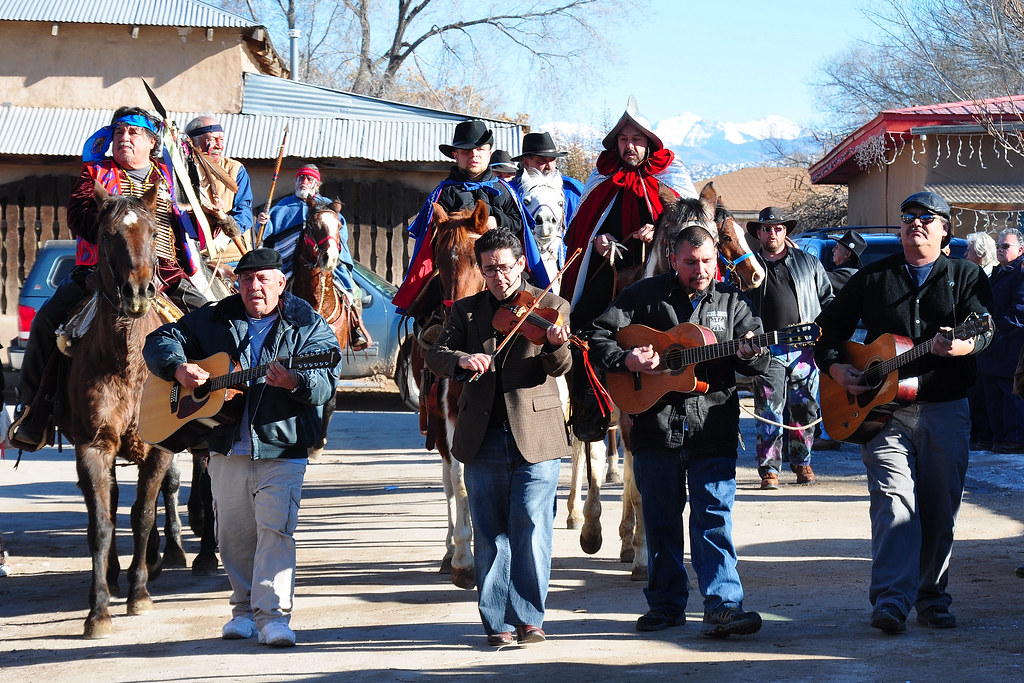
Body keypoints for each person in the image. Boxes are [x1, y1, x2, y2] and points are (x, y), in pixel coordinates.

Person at [142, 248, 342, 647]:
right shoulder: (216, 317)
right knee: (233, 535)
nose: (255, 287)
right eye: (248, 279)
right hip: (224, 447)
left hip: (281, 446)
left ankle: (274, 618)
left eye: (264, 279)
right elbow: (160, 338)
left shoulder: (308, 326)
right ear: (238, 283)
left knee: (275, 531)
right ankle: (244, 611)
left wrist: (295, 383)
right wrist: (178, 367)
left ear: (281, 283)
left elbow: (325, 385)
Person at [815, 191, 992, 634]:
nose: (915, 222)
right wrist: (839, 369)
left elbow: (986, 329)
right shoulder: (873, 277)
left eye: (926, 217)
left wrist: (963, 345)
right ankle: (892, 600)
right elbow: (828, 333)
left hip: (945, 407)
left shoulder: (967, 275)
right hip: (883, 414)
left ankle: (931, 597)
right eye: (908, 216)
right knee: (894, 502)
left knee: (938, 507)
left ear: (945, 228)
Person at [587, 224, 769, 637]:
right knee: (661, 520)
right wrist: (626, 359)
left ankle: (723, 606)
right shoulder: (642, 296)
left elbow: (755, 362)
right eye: (691, 262)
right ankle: (666, 606)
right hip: (655, 426)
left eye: (707, 261)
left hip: (713, 428)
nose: (701, 269)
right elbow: (597, 334)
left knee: (713, 519)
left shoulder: (734, 302)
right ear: (673, 258)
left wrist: (752, 355)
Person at [8, 106, 205, 451]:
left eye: (133, 134)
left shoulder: (168, 177)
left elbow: (180, 228)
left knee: (211, 319)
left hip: (165, 272)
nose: (124, 139)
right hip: (100, 273)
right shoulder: (95, 173)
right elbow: (79, 216)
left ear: (151, 143)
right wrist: (114, 215)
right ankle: (34, 411)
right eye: (118, 133)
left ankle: (211, 411)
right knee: (44, 323)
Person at [424, 228, 572, 647]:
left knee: (530, 527)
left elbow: (561, 367)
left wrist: (556, 346)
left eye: (505, 267)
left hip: (536, 433)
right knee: (489, 530)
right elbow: (437, 353)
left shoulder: (551, 305)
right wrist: (461, 359)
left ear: (521, 264)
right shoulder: (466, 311)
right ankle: (497, 623)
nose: (499, 277)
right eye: (489, 269)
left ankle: (529, 618)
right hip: (482, 433)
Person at [560, 97, 698, 330]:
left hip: (663, 275)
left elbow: (693, 227)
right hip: (609, 273)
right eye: (623, 140)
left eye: (636, 139)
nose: (629, 146)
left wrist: (659, 232)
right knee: (583, 322)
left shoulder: (671, 175)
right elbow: (579, 230)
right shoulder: (602, 176)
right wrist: (596, 241)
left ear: (648, 144)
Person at [392, 119, 548, 315]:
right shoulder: (444, 193)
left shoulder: (506, 190)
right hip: (458, 262)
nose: (474, 155)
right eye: (466, 151)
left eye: (480, 150)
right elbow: (433, 233)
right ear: (455, 155)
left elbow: (520, 226)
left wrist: (497, 221)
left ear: (489, 153)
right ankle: (426, 334)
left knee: (534, 297)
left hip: (502, 262)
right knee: (426, 302)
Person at [747, 207, 834, 489]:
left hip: (804, 349)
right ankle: (769, 469)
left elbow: (828, 299)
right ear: (758, 233)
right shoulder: (749, 268)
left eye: (778, 228)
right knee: (769, 409)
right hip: (766, 348)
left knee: (805, 409)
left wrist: (826, 332)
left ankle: (802, 462)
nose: (772, 233)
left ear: (785, 231)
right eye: (767, 229)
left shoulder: (808, 263)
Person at [255, 164, 356, 295]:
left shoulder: (328, 207)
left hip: (324, 259)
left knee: (350, 292)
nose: (304, 182)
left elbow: (340, 231)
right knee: (271, 291)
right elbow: (265, 235)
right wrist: (262, 223)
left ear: (317, 185)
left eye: (309, 179)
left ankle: (351, 305)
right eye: (301, 178)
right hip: (287, 262)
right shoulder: (281, 207)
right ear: (296, 182)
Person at [975, 228, 1024, 454]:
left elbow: (1019, 312)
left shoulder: (1021, 273)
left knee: (1009, 394)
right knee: (991, 393)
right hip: (993, 347)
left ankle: (1013, 439)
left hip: (1012, 348)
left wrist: (994, 327)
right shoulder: (998, 272)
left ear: (1020, 250)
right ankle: (997, 436)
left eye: (1006, 246)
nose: (1000, 250)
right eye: (999, 246)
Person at [184, 115, 254, 264]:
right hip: (187, 256)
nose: (218, 145)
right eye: (212, 139)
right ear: (192, 142)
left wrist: (222, 237)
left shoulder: (235, 170)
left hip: (230, 257)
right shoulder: (178, 170)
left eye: (221, 140)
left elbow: (244, 214)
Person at [508, 131, 585, 227]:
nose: (549, 166)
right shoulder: (510, 193)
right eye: (542, 161)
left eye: (552, 160)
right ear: (526, 162)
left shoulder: (572, 190)